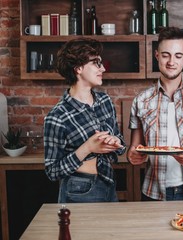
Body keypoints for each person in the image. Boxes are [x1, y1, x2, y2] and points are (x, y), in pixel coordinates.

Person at [127, 27, 183, 201]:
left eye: (178, 56)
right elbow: (136, 147)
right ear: (156, 55)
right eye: (165, 55)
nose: (171, 61)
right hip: (154, 190)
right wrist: (133, 155)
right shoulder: (141, 100)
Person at [44, 38, 126, 203]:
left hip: (109, 182)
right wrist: (88, 147)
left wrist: (116, 141)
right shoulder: (57, 116)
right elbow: (52, 171)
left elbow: (121, 146)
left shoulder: (104, 101)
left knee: (112, 230)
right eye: (96, 63)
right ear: (78, 68)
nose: (102, 68)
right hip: (78, 188)